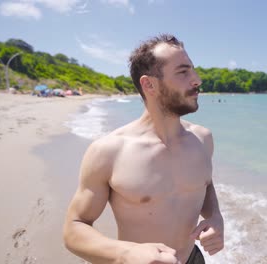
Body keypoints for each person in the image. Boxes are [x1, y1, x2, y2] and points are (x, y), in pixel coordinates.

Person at [63, 34, 224, 264]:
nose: (197, 80)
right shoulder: (109, 151)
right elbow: (74, 228)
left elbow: (205, 185)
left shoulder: (203, 139)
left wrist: (215, 217)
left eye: (193, 70)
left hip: (192, 259)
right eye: (183, 72)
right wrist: (125, 253)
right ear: (149, 84)